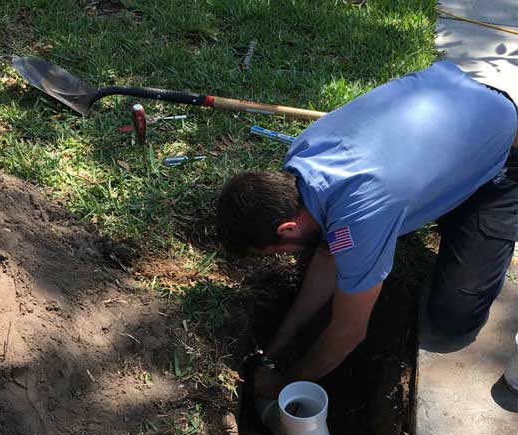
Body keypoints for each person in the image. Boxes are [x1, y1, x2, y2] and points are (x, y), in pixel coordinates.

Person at [216, 61, 518, 399]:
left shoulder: (359, 216)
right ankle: (447, 189)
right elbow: (327, 258)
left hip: (501, 153)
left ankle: (466, 201)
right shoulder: (302, 158)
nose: (285, 257)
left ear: (287, 227)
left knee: (453, 319)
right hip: (456, 102)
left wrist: (285, 387)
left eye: (277, 251)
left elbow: (348, 331)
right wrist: (273, 351)